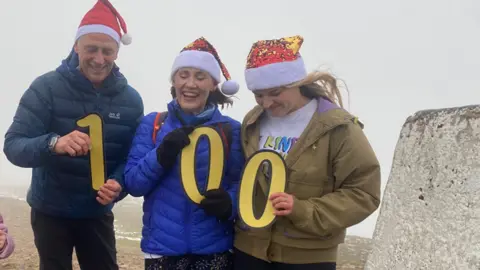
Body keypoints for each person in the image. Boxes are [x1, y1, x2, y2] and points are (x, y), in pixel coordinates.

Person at [2, 1, 143, 269]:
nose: (99, 59)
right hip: (50, 210)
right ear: (76, 46)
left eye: (107, 51)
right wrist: (54, 143)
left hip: (97, 212)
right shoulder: (46, 88)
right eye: (91, 48)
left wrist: (118, 184)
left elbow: (132, 157)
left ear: (117, 52)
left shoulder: (131, 100)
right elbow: (13, 146)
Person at [233, 35, 381, 270]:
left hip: (307, 258)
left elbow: (364, 194)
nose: (267, 103)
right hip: (248, 251)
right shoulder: (252, 121)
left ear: (296, 83)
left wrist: (301, 209)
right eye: (259, 94)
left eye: (275, 92)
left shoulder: (339, 128)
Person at [124, 37, 244, 270]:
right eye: (183, 75)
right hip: (161, 252)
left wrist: (230, 203)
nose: (191, 84)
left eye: (200, 77)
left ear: (213, 84)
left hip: (215, 250)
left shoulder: (232, 130)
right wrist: (161, 154)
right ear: (174, 81)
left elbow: (242, 183)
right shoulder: (153, 124)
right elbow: (133, 184)